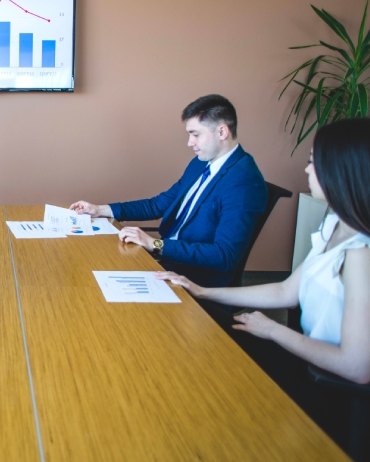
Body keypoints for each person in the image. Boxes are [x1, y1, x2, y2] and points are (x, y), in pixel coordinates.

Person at [156, 118, 370, 447]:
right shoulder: (336, 224)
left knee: (208, 360)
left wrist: (272, 330)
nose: (307, 171)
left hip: (329, 388)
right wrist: (201, 290)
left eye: (313, 162)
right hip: (306, 359)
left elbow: (356, 368)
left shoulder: (362, 252)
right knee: (198, 329)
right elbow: (287, 291)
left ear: (343, 170)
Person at [71, 94, 267, 288]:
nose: (190, 142)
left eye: (196, 134)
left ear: (222, 132)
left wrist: (155, 244)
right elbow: (159, 204)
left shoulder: (244, 182)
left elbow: (224, 256)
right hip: (166, 261)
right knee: (87, 267)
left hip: (194, 279)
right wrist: (100, 210)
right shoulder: (202, 163)